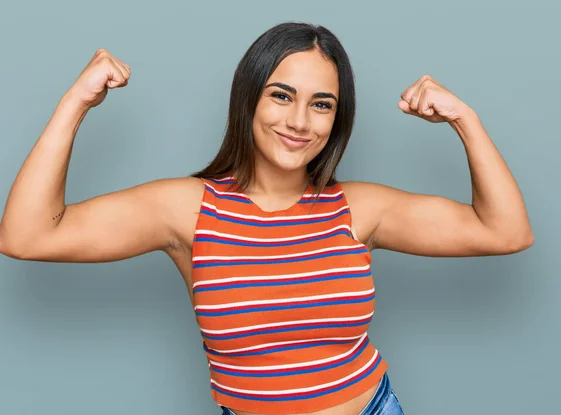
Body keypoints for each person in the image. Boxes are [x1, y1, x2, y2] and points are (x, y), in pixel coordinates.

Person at [0, 22, 533, 415]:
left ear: (337, 118)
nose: (299, 121)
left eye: (321, 104)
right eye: (282, 96)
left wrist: (466, 120)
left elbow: (505, 231)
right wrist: (76, 103)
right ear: (249, 98)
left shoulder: (358, 208)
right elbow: (26, 236)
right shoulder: (189, 209)